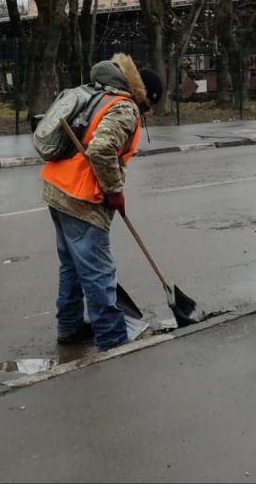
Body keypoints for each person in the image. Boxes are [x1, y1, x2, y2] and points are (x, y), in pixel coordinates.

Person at [41, 53, 164, 350]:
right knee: (98, 271)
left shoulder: (100, 93)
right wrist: (114, 190)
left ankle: (69, 327)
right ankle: (112, 337)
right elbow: (101, 149)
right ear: (146, 98)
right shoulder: (124, 107)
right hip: (81, 197)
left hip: (56, 187)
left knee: (71, 266)